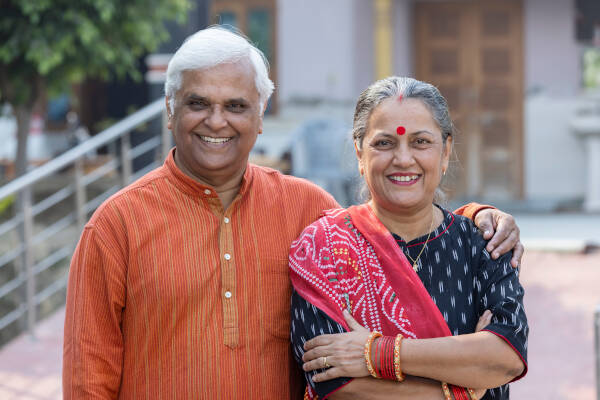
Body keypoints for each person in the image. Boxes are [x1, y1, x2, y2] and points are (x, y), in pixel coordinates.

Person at [63, 27, 523, 399]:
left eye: (237, 106)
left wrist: (477, 219)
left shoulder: (308, 209)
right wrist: (464, 389)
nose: (217, 121)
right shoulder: (114, 227)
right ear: (169, 111)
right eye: (198, 103)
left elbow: (391, 228)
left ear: (260, 117)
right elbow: (89, 380)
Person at [289, 77, 528, 399]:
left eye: (420, 142)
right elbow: (335, 383)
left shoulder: (483, 244)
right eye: (385, 143)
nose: (403, 159)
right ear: (360, 153)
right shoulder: (324, 249)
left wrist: (378, 354)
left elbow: (505, 358)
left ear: (445, 152)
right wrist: (464, 390)